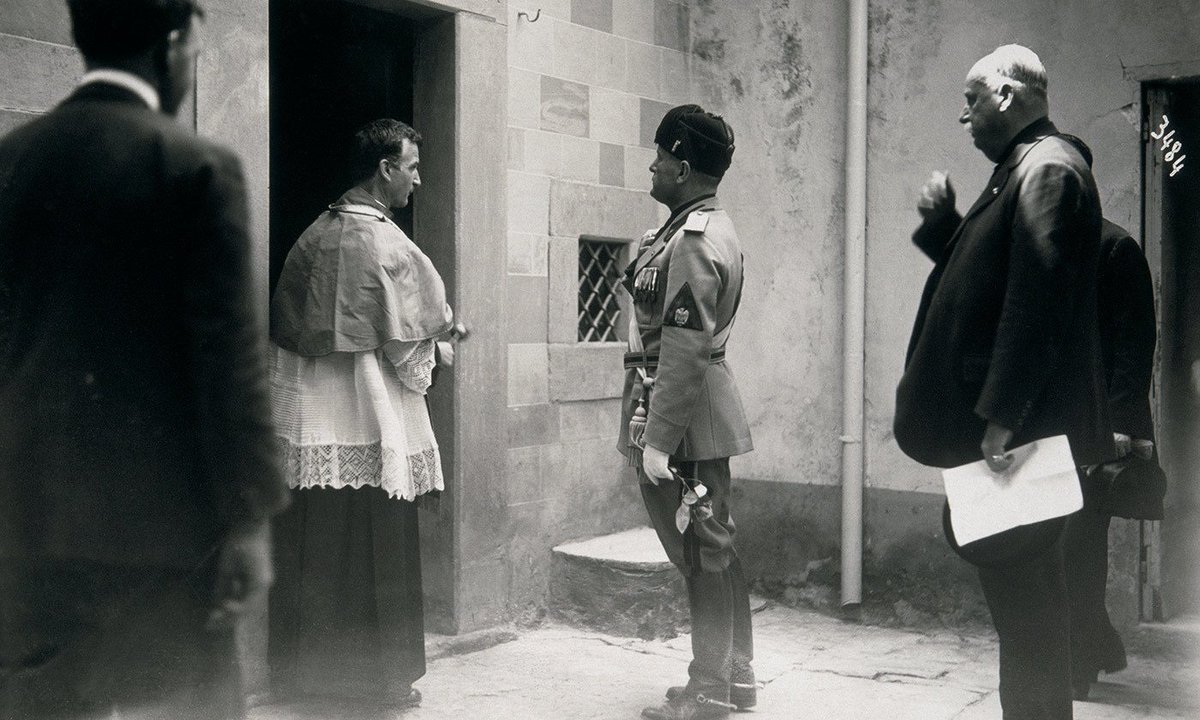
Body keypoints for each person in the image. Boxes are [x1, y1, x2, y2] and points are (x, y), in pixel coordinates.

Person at [0, 1, 289, 718]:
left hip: (27, 525)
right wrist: (251, 520)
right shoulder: (196, 167)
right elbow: (230, 365)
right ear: (173, 45)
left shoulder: (12, 159)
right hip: (163, 536)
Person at [893, 45, 1114, 720]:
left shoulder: (1047, 170)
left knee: (1028, 610)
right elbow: (992, 278)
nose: (963, 116)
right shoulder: (1028, 167)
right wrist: (943, 227)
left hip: (1023, 434)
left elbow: (1036, 302)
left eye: (971, 100)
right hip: (1020, 428)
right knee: (1026, 608)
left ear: (1008, 95)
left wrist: (1002, 417)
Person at [267, 118, 455, 710]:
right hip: (373, 422)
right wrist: (438, 352)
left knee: (321, 545)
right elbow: (408, 353)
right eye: (413, 168)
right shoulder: (386, 243)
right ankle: (378, 681)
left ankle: (309, 677)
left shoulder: (313, 235)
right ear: (385, 169)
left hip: (317, 425)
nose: (418, 181)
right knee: (377, 551)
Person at [620, 104, 754, 720]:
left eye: (659, 156)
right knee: (712, 544)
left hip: (684, 416)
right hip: (689, 411)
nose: (652, 166)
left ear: (682, 164)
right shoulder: (686, 229)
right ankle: (736, 676)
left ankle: (709, 691)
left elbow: (683, 345)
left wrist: (657, 439)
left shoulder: (695, 239)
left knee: (702, 551)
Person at [1056, 135, 1155, 700]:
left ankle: (1078, 667)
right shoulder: (1041, 247)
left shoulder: (1117, 249)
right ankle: (1096, 646)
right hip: (1048, 426)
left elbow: (1135, 348)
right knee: (1052, 544)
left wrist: (1119, 428)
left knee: (1078, 543)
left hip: (1096, 430)